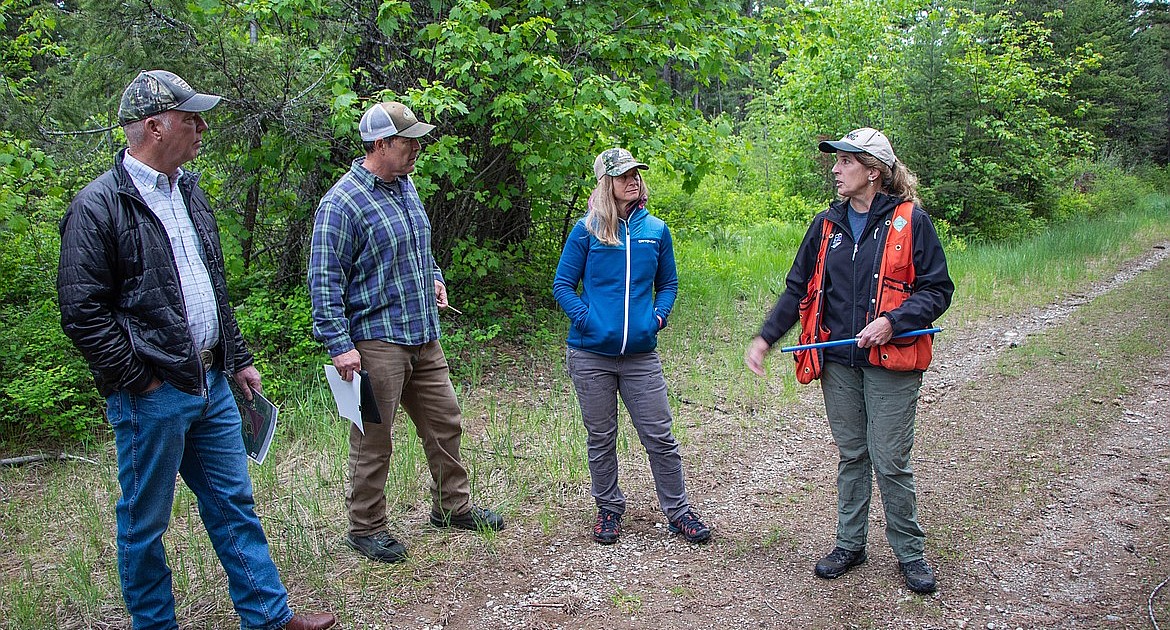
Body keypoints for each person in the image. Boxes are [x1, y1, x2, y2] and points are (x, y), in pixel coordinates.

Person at [57, 70, 335, 630]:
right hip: (153, 395)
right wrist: (140, 380)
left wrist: (238, 357)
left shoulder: (189, 189)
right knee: (145, 524)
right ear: (155, 126)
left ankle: (269, 619)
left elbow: (212, 285)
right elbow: (82, 311)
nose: (202, 127)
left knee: (234, 505)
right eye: (191, 118)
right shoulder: (98, 206)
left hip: (212, 384)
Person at [744, 128, 954, 594]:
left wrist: (893, 321)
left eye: (845, 162)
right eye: (836, 162)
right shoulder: (825, 226)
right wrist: (765, 338)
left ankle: (910, 553)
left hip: (891, 359)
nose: (835, 170)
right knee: (852, 454)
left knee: (890, 459)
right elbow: (797, 290)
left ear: (873, 172)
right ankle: (850, 544)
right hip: (837, 362)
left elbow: (938, 290)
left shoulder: (911, 221)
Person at [308, 100, 505, 564]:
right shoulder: (342, 203)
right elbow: (323, 279)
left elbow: (420, 247)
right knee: (374, 437)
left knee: (445, 422)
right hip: (376, 341)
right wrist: (340, 345)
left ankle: (451, 508)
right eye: (408, 141)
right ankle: (366, 527)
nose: (417, 148)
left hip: (422, 333)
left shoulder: (405, 186)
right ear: (380, 144)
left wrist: (434, 276)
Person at [552, 148, 711, 546]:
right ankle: (608, 509)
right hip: (590, 355)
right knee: (601, 435)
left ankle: (678, 512)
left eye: (636, 173)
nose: (633, 180)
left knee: (659, 435)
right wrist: (589, 320)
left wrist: (656, 318)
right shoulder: (586, 230)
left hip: (641, 355)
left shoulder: (655, 230)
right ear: (607, 183)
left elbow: (668, 284)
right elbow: (561, 286)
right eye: (623, 175)